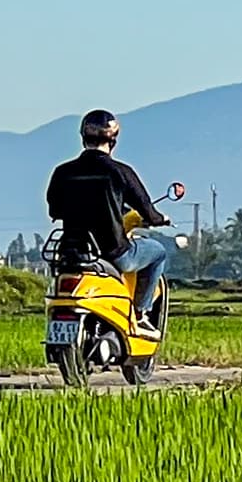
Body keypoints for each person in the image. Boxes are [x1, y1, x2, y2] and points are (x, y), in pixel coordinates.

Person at [47, 108, 174, 343]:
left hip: (73, 250)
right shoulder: (120, 172)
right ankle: (141, 314)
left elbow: (54, 210)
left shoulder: (62, 172)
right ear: (113, 139)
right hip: (113, 251)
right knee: (158, 252)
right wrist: (160, 219)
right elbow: (148, 211)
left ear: (83, 136)